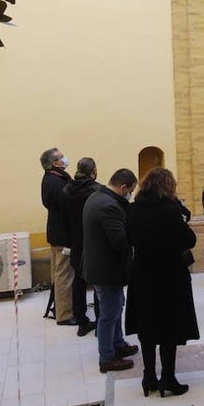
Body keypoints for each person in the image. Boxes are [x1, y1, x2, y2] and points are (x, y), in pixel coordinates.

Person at [126, 168, 200, 397]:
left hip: (142, 274)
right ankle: (168, 378)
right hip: (169, 275)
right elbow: (190, 239)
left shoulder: (133, 209)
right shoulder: (169, 211)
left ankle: (149, 377)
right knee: (169, 327)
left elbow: (128, 237)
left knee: (147, 325)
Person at [82, 168, 140, 373]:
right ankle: (107, 358)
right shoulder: (109, 206)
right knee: (109, 314)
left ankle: (118, 343)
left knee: (116, 307)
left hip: (101, 266)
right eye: (130, 190)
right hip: (106, 269)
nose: (130, 195)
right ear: (123, 187)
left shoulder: (97, 197)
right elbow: (120, 241)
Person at [62, 157, 99, 336]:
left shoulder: (67, 189)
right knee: (99, 281)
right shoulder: (96, 190)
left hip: (75, 238)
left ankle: (81, 320)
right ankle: (101, 322)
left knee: (78, 280)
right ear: (93, 171)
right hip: (93, 239)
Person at [40, 147, 76, 325]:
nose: (65, 159)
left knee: (58, 272)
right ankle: (65, 315)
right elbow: (66, 207)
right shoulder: (56, 182)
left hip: (56, 232)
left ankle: (60, 307)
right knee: (64, 275)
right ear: (55, 163)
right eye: (62, 157)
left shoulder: (52, 178)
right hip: (63, 235)